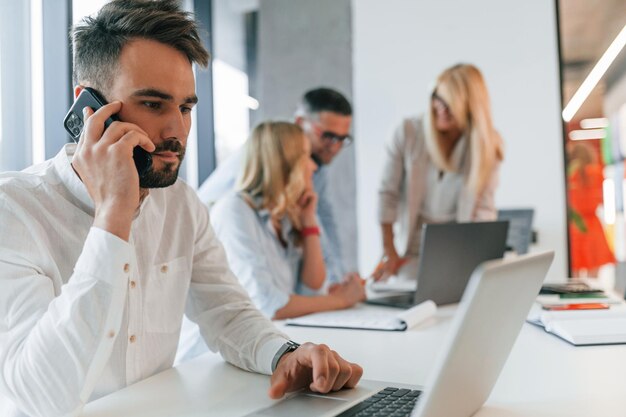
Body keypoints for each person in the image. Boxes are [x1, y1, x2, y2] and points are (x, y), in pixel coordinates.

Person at [0, 2, 362, 416]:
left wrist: (284, 354)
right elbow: (40, 396)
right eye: (153, 104)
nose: (177, 131)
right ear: (88, 106)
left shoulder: (182, 206)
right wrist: (113, 216)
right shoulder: (13, 210)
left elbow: (227, 313)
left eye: (185, 108)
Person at [212, 121, 365, 319]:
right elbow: (267, 305)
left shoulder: (284, 215)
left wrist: (309, 223)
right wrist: (342, 300)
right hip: (217, 348)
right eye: (306, 157)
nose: (312, 167)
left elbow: (310, 291)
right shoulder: (234, 211)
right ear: (283, 164)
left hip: (272, 335)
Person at [197, 87, 353, 280]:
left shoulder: (317, 163)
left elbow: (324, 220)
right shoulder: (259, 163)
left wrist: (339, 276)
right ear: (300, 123)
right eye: (328, 136)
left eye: (342, 139)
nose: (334, 147)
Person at [376, 63, 504, 281]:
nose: (440, 108)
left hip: (458, 253)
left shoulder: (487, 146)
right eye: (437, 98)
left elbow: (484, 211)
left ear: (470, 106)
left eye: (450, 103)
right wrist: (390, 252)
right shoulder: (408, 132)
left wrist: (483, 268)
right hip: (410, 252)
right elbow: (387, 194)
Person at [567, 142, 615, 277]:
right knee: (594, 273)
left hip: (575, 226)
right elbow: (601, 200)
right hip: (592, 225)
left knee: (574, 274)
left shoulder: (570, 174)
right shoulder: (596, 172)